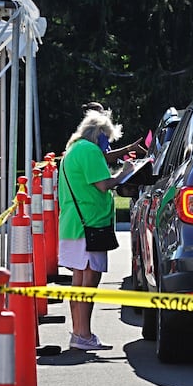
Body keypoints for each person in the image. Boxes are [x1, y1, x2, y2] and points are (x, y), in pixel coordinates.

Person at [58, 109, 135, 350]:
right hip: (89, 225)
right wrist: (125, 173)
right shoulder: (89, 150)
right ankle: (84, 335)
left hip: (73, 224)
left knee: (79, 281)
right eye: (107, 138)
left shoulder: (73, 149)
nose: (107, 145)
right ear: (99, 133)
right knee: (89, 281)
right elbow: (103, 184)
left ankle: (79, 333)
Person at [81, 101, 147, 164]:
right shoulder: (99, 133)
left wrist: (123, 153)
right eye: (102, 113)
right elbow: (107, 157)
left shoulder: (83, 134)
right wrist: (129, 148)